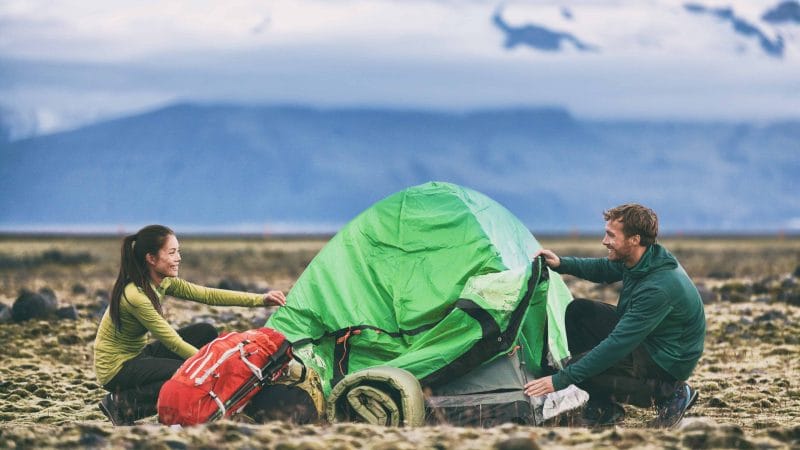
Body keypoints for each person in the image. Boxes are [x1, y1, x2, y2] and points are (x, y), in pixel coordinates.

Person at [524, 204, 705, 428]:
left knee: (582, 368)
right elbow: (604, 269)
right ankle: (605, 408)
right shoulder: (642, 259)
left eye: (611, 235)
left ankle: (669, 392)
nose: (604, 240)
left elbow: (617, 345)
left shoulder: (658, 288)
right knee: (579, 312)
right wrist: (561, 264)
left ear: (634, 239)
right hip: (650, 340)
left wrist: (560, 380)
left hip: (666, 360)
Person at [94, 225, 286, 425]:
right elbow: (173, 342)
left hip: (137, 356)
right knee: (182, 373)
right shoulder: (135, 296)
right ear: (151, 259)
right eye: (172, 252)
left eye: (179, 251)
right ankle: (121, 405)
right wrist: (210, 369)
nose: (179, 258)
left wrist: (261, 299)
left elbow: (208, 295)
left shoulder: (163, 281)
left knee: (205, 331)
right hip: (116, 369)